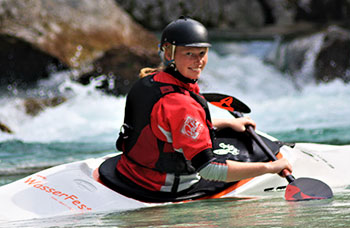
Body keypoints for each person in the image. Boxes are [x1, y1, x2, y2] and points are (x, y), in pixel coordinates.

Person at [115, 16, 292, 199]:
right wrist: (270, 167)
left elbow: (168, 126)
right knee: (251, 155)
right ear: (169, 54)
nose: (198, 61)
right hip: (162, 186)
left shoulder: (148, 81)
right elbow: (209, 170)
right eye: (189, 54)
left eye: (202, 53)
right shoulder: (182, 105)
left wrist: (227, 123)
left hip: (130, 171)